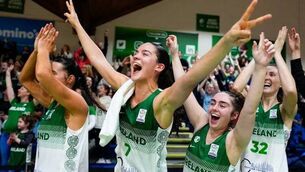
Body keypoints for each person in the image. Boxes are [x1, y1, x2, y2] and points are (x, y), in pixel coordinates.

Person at [65, 0, 271, 171]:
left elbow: (191, 78)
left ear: (158, 67)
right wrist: (77, 25)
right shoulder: (125, 88)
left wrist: (227, 40)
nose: (136, 55)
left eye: (145, 54)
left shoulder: (161, 102)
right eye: (136, 53)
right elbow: (99, 60)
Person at [168, 29, 275, 171]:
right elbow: (183, 88)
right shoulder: (202, 123)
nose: (214, 107)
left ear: (234, 115)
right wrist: (175, 55)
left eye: (222, 105)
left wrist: (260, 66)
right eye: (213, 103)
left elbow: (249, 109)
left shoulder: (234, 140)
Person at [18, 24, 98, 172]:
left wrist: (43, 49)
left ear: (70, 79)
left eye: (53, 73)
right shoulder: (53, 103)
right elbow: (25, 79)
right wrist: (37, 51)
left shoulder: (77, 103)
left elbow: (42, 75)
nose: (49, 76)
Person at [233, 26, 298, 172]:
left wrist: (277, 53)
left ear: (281, 83)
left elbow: (291, 91)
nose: (267, 77)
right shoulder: (250, 105)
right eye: (265, 74)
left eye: (273, 74)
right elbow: (237, 88)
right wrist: (258, 59)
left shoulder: (284, 110)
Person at [0, 64, 35, 168]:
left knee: (18, 164)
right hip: (6, 135)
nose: (19, 90)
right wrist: (7, 73)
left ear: (28, 93)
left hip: (21, 137)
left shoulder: (31, 104)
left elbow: (39, 90)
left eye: (22, 89)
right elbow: (9, 87)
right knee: (4, 162)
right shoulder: (14, 102)